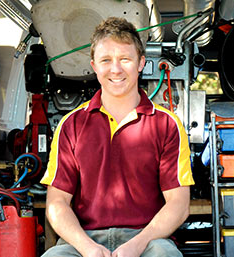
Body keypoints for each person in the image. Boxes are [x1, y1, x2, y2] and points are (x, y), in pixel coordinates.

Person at [40, 17, 194, 257]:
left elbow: (179, 204)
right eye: (105, 60)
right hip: (85, 239)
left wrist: (138, 244)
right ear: (94, 65)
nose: (115, 69)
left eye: (125, 59)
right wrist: (88, 248)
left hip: (148, 238)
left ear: (141, 63)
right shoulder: (71, 124)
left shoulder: (166, 124)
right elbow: (57, 202)